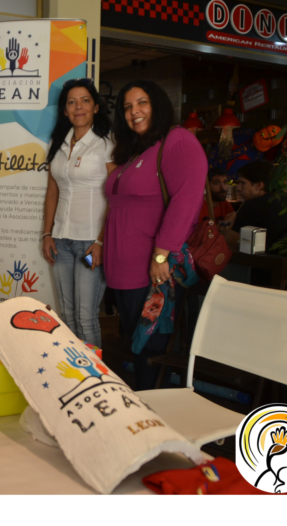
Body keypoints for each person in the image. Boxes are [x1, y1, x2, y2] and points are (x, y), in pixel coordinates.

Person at [104, 80, 207, 390]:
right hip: (122, 270)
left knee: (150, 350)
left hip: (152, 270)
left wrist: (162, 253)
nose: (134, 111)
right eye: (127, 107)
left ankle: (155, 423)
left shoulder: (178, 141)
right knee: (136, 348)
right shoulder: (139, 150)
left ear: (158, 104)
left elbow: (186, 200)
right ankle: (140, 417)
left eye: (142, 103)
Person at [41, 78, 116, 349]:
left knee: (86, 317)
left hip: (90, 242)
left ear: (96, 107)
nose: (78, 107)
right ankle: (73, 376)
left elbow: (114, 195)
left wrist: (101, 241)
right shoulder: (58, 142)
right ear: (64, 110)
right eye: (71, 102)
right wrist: (47, 233)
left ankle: (95, 381)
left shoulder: (106, 143)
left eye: (85, 100)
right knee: (67, 317)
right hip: (61, 240)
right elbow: (53, 191)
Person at [226, 160, 287, 250]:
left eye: (243, 183)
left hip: (266, 261)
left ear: (259, 185)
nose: (238, 188)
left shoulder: (253, 205)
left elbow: (230, 243)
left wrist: (226, 226)